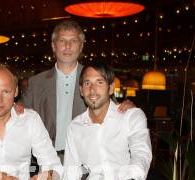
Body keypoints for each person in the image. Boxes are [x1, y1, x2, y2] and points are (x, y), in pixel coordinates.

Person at [23, 20, 133, 154]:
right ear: (53, 46)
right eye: (62, 40)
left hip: (86, 161)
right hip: (46, 161)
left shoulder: (95, 77)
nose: (67, 46)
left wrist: (127, 109)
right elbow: (20, 117)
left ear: (81, 46)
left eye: (73, 41)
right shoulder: (36, 82)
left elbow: (113, 113)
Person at [63, 62, 152, 180]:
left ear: (111, 88)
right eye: (87, 83)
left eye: (99, 82)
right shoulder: (75, 127)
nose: (92, 89)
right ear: (81, 90)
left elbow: (141, 153)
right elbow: (72, 174)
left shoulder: (131, 116)